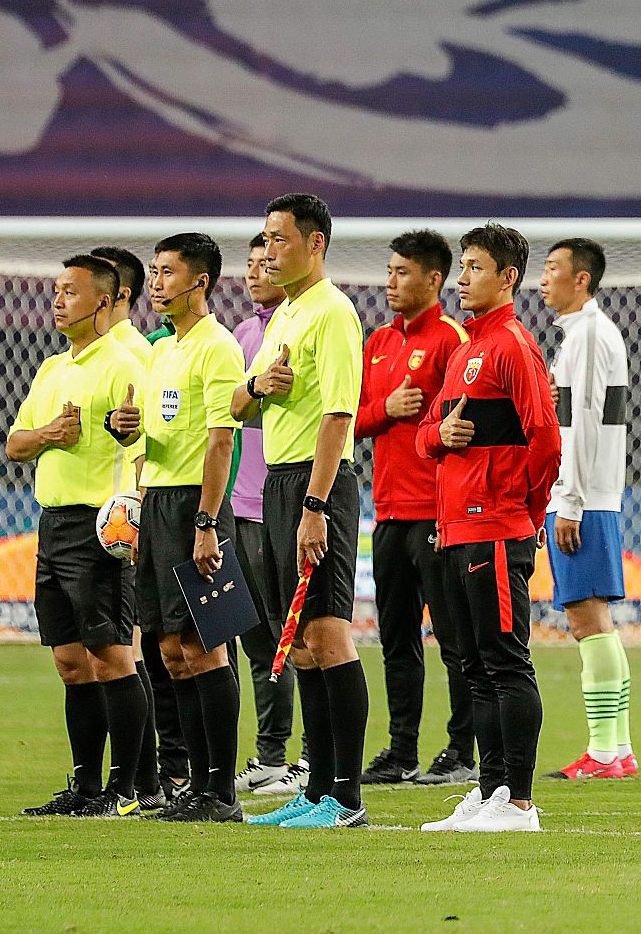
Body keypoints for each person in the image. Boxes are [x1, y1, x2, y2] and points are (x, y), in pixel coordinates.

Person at [231, 193, 371, 829]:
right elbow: (238, 406)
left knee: (329, 635)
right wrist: (260, 385)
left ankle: (347, 798)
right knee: (303, 645)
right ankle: (315, 791)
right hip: (280, 483)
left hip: (320, 485)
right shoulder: (284, 315)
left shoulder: (333, 313)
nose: (267, 252)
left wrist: (315, 505)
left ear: (315, 244)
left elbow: (339, 414)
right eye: (264, 239)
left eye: (279, 239)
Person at [416, 224, 560, 833]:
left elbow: (546, 440)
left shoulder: (513, 347)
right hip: (455, 528)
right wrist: (439, 435)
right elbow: (425, 434)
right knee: (472, 665)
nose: (463, 278)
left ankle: (519, 802)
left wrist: (524, 513)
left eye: (475, 267)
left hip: (496, 527)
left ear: (508, 277)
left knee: (505, 662)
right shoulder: (464, 352)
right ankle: (489, 790)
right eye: (463, 266)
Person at [112, 233, 247, 823]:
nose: (156, 282)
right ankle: (195, 784)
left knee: (204, 648)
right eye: (153, 271)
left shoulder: (218, 347)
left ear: (200, 282)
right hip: (159, 505)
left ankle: (222, 793)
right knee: (170, 651)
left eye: (167, 272)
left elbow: (221, 442)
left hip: (197, 506)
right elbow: (156, 435)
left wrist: (207, 522)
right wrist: (126, 428)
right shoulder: (162, 349)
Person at [8, 255, 148, 818]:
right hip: (53, 526)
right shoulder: (51, 369)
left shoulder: (123, 364)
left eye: (71, 291)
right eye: (56, 290)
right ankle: (86, 786)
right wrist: (50, 433)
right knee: (69, 661)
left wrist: (138, 514)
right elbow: (15, 444)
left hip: (99, 527)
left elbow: (143, 445)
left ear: (104, 301)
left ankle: (128, 788)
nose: (58, 300)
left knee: (112, 657)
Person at [356, 229, 478, 787]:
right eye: (389, 271)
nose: (390, 281)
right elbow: (353, 420)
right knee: (396, 640)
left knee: (454, 639)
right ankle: (402, 750)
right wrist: (387, 407)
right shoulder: (378, 342)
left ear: (433, 279)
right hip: (388, 513)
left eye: (402, 272)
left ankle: (460, 751)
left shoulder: (453, 339)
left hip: (437, 512)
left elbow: (467, 423)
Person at [539, 238, 637, 781]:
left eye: (553, 268)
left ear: (581, 279)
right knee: (596, 622)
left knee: (588, 622)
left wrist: (571, 500)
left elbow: (587, 423)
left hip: (584, 498)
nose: (543, 279)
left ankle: (603, 754)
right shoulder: (581, 334)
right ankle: (617, 748)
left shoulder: (591, 335)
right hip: (587, 496)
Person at [92, 244, 184, 807]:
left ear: (115, 295)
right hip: (123, 519)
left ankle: (171, 771)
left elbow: (175, 436)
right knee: (146, 645)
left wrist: (138, 499)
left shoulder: (140, 353)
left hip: (149, 514)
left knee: (163, 645)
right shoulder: (128, 352)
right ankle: (156, 775)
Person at [230, 233, 307, 797]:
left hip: (278, 501)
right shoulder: (242, 334)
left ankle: (308, 756)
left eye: (267, 262)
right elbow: (233, 408)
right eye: (251, 264)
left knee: (295, 634)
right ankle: (271, 756)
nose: (257, 272)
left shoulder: (301, 327)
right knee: (255, 639)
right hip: (237, 503)